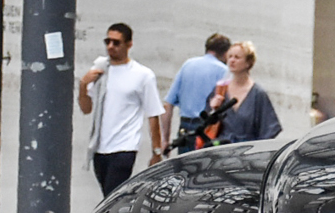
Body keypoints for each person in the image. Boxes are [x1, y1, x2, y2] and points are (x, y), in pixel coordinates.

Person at [79, 22, 164, 193]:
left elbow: (153, 113)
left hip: (125, 147)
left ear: (129, 44)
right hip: (100, 148)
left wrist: (156, 151)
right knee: (108, 198)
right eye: (107, 41)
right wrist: (83, 85)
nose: (110, 46)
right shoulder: (101, 71)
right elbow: (86, 109)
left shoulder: (142, 75)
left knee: (112, 196)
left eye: (116, 42)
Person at [207, 39, 283, 143]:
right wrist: (213, 110)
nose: (232, 60)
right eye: (230, 57)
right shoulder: (221, 90)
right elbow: (205, 126)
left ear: (248, 62)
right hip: (222, 150)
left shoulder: (258, 94)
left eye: (237, 57)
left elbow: (269, 129)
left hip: (247, 151)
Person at [164, 33, 230, 152]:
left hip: (185, 128)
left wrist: (165, 139)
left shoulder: (188, 64)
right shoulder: (223, 71)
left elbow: (168, 104)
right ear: (226, 53)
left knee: (183, 168)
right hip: (207, 130)